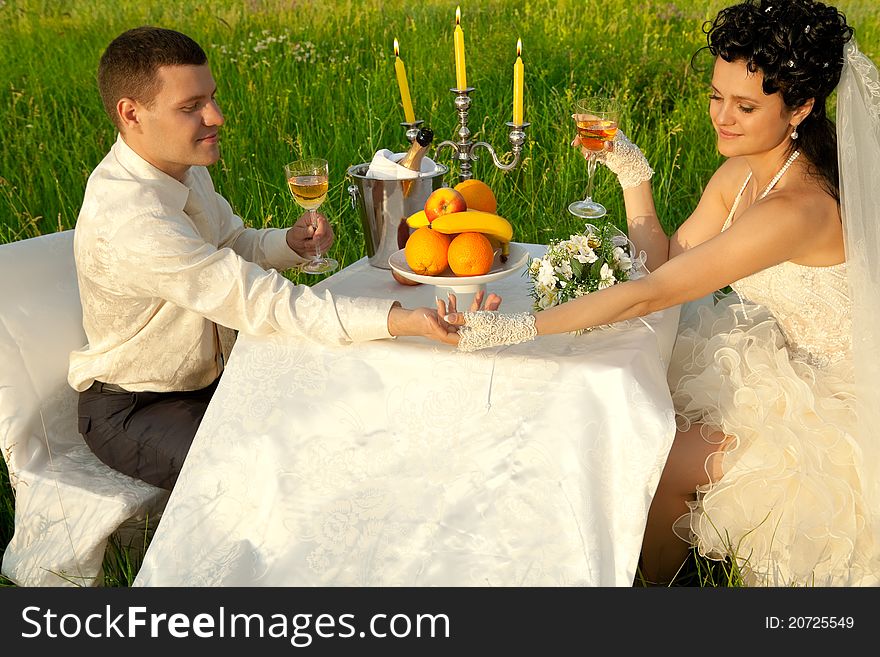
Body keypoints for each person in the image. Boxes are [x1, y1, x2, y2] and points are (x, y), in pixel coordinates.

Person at [443, 0, 880, 586]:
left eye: (746, 106)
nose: (722, 117)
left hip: (846, 403)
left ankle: (655, 589)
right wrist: (635, 176)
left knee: (667, 459)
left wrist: (512, 329)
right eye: (715, 95)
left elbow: (650, 294)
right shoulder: (745, 170)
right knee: (632, 412)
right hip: (790, 362)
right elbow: (667, 263)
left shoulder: (794, 209)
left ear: (799, 107)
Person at [69, 26, 498, 492]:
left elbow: (229, 244)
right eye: (191, 108)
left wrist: (289, 245)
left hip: (219, 379)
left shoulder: (179, 167)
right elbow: (262, 303)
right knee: (279, 472)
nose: (216, 116)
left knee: (360, 415)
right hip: (136, 409)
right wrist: (405, 319)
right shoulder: (132, 218)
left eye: (211, 97)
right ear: (131, 113)